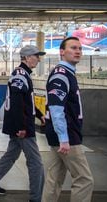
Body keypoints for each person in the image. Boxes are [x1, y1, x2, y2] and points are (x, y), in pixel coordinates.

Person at [0, 45, 46, 202]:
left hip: (20, 125)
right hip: (22, 127)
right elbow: (17, 104)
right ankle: (36, 198)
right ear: (26, 57)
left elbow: (26, 101)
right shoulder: (20, 75)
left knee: (11, 155)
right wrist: (21, 128)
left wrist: (39, 114)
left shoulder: (23, 74)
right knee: (36, 163)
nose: (38, 59)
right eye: (36, 56)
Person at [42, 37, 94, 202]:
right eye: (73, 48)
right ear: (62, 52)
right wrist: (64, 138)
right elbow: (56, 109)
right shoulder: (61, 75)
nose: (78, 51)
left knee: (54, 178)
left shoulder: (66, 73)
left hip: (61, 134)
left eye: (79, 48)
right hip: (67, 136)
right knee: (84, 179)